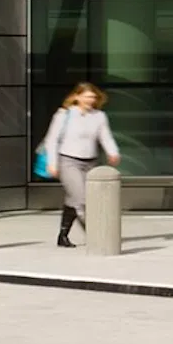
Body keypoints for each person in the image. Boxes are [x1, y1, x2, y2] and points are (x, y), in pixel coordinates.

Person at [40, 81, 119, 247]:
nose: (91, 100)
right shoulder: (64, 115)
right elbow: (52, 140)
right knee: (82, 199)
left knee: (73, 199)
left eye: (93, 97)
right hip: (68, 160)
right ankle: (95, 235)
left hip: (90, 161)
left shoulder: (99, 116)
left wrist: (113, 152)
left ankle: (63, 235)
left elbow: (105, 136)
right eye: (87, 96)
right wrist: (52, 163)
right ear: (77, 96)